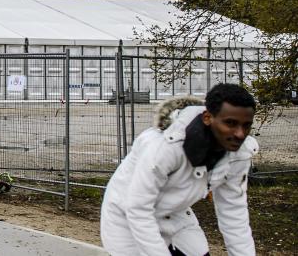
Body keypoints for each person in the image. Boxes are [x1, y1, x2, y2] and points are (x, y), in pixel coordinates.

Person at [101, 83, 259, 256]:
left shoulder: (239, 154)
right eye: (230, 123)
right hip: (127, 215)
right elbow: (138, 209)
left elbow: (233, 213)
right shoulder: (164, 147)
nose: (240, 134)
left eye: (246, 125)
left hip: (174, 215)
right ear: (207, 117)